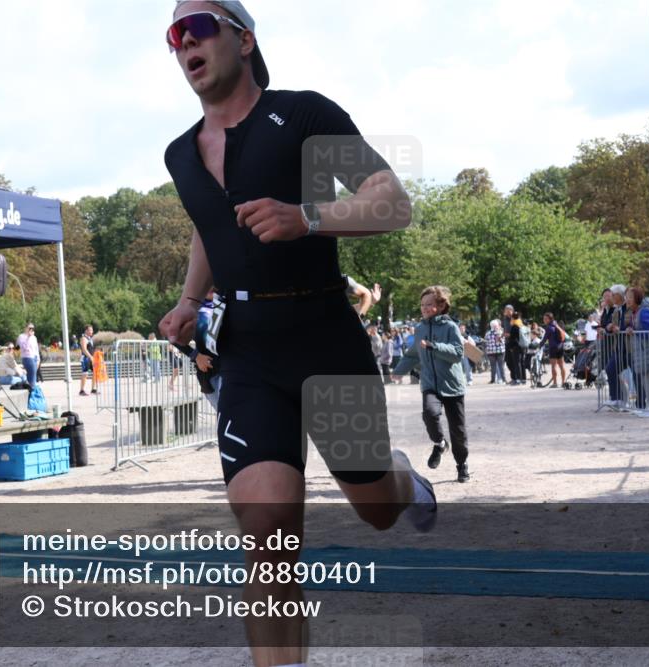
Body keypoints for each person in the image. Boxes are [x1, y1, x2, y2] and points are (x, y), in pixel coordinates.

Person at [156, 4, 432, 663]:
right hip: (247, 351)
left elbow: (391, 199)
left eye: (198, 26)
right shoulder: (180, 153)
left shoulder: (304, 115)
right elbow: (207, 223)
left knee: (376, 508)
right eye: (174, 36)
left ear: (243, 38)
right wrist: (190, 298)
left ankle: (403, 483)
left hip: (324, 335)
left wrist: (307, 215)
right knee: (267, 533)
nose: (184, 42)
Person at [391, 286, 469, 483]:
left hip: (452, 386)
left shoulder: (450, 327)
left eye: (429, 304)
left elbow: (457, 353)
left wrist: (434, 346)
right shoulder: (420, 329)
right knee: (429, 413)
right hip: (429, 384)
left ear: (441, 306)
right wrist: (398, 371)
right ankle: (440, 443)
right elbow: (412, 354)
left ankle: (462, 465)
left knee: (458, 431)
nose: (424, 308)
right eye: (422, 305)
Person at [625, 287, 649, 411]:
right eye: (627, 297)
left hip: (648, 351)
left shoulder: (645, 311)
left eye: (630, 297)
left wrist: (634, 331)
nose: (627, 300)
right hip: (643, 352)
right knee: (647, 380)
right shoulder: (636, 313)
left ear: (637, 298)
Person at [602, 285, 629, 407]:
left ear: (619, 295)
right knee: (610, 369)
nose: (611, 297)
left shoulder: (626, 309)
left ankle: (621, 399)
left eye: (613, 295)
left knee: (639, 376)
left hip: (627, 347)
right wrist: (609, 328)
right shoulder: (618, 310)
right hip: (619, 346)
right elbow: (612, 325)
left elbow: (628, 324)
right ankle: (617, 398)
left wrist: (619, 328)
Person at [539, 312, 567, 388]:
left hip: (553, 348)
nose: (544, 320)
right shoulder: (557, 325)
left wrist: (539, 345)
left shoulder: (549, 328)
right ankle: (563, 382)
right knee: (562, 365)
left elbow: (544, 339)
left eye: (545, 319)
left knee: (554, 366)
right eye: (544, 319)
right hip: (560, 347)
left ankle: (555, 383)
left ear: (550, 319)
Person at [503, 305, 524, 385]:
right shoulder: (505, 319)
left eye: (509, 310)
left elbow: (518, 331)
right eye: (506, 310)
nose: (507, 312)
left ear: (512, 310)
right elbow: (505, 330)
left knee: (515, 361)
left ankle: (517, 378)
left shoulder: (516, 318)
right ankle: (514, 377)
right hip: (507, 342)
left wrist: (509, 335)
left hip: (515, 343)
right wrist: (502, 335)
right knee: (508, 361)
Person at [16, 323, 40, 388]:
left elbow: (36, 349)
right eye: (30, 328)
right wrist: (28, 337)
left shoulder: (34, 337)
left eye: (33, 328)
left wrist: (38, 360)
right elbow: (23, 348)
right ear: (26, 328)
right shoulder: (21, 336)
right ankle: (32, 392)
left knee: (33, 377)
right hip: (27, 358)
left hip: (34, 358)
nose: (31, 330)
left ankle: (31, 392)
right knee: (32, 378)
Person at [484, 319, 506, 384]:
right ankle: (498, 379)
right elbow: (503, 342)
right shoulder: (500, 332)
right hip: (497, 351)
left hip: (494, 352)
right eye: (495, 326)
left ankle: (497, 379)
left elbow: (485, 343)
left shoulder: (489, 333)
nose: (496, 327)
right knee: (498, 366)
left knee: (497, 366)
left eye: (496, 326)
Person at [79, 325, 97, 396]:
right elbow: (84, 349)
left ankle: (93, 389)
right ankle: (81, 390)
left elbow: (91, 349)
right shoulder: (84, 338)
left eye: (92, 330)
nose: (91, 332)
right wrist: (90, 356)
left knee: (95, 373)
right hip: (85, 358)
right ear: (86, 331)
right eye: (90, 330)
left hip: (91, 358)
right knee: (85, 374)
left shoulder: (90, 339)